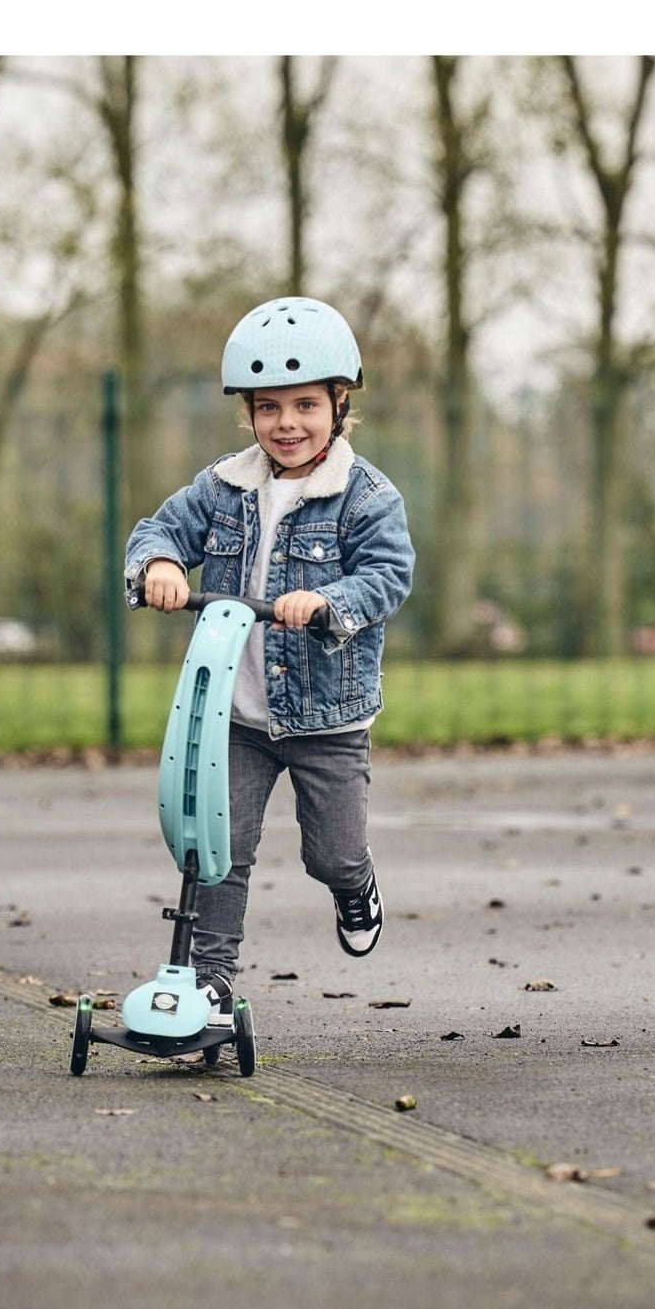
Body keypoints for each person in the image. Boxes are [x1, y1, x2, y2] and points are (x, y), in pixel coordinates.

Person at [123, 296, 415, 1036]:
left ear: (339, 405)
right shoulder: (222, 487)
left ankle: (356, 887)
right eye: (269, 408)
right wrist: (157, 562)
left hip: (327, 718)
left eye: (306, 405)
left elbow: (388, 574)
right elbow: (160, 527)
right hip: (236, 713)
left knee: (334, 853)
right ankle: (211, 984)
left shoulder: (366, 496)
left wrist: (326, 599)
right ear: (248, 413)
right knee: (217, 850)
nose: (288, 423)